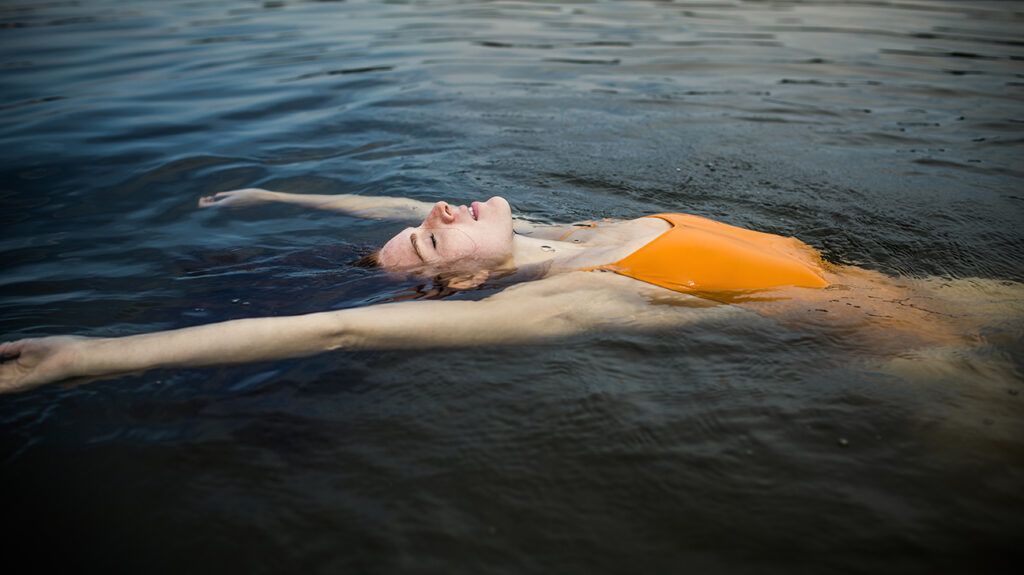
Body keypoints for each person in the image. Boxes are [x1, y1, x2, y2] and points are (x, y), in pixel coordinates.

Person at [0, 188, 1015, 394]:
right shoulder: (573, 292)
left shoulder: (564, 233)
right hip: (895, 342)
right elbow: (337, 331)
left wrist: (277, 191)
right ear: (467, 279)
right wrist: (93, 353)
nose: (434, 207)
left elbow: (394, 196)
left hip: (902, 283)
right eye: (423, 239)